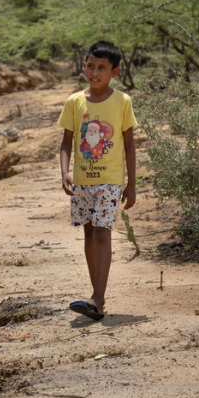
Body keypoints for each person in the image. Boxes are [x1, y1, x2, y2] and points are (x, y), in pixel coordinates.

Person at [57, 40, 138, 321]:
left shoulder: (122, 102)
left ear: (114, 72)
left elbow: (129, 144)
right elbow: (67, 142)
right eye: (91, 66)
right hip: (82, 181)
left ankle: (98, 298)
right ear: (84, 66)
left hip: (110, 181)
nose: (95, 73)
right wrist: (65, 172)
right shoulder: (75, 102)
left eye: (102, 68)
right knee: (89, 234)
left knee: (103, 232)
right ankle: (97, 300)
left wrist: (132, 184)